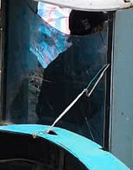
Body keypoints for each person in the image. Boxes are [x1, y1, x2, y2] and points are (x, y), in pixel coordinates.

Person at [36, 10, 109, 144]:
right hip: (92, 148)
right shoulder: (104, 68)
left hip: (57, 143)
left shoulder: (56, 65)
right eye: (103, 29)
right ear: (96, 31)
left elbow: (41, 111)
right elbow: (117, 113)